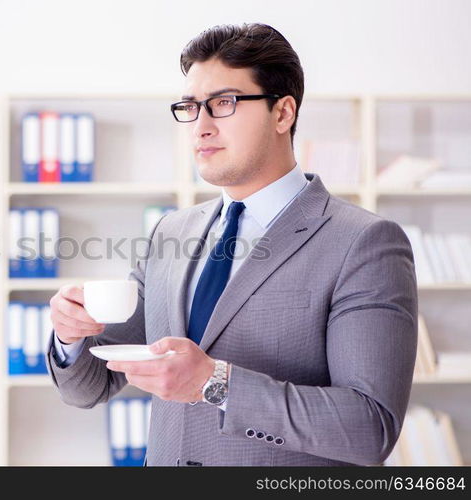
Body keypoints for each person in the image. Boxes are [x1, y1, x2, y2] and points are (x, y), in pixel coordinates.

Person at [46, 23, 417, 466]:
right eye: (190, 107)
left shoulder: (364, 243)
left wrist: (214, 381)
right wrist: (69, 337)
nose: (200, 127)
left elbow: (369, 429)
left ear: (283, 114)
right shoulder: (171, 231)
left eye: (223, 104)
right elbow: (89, 387)